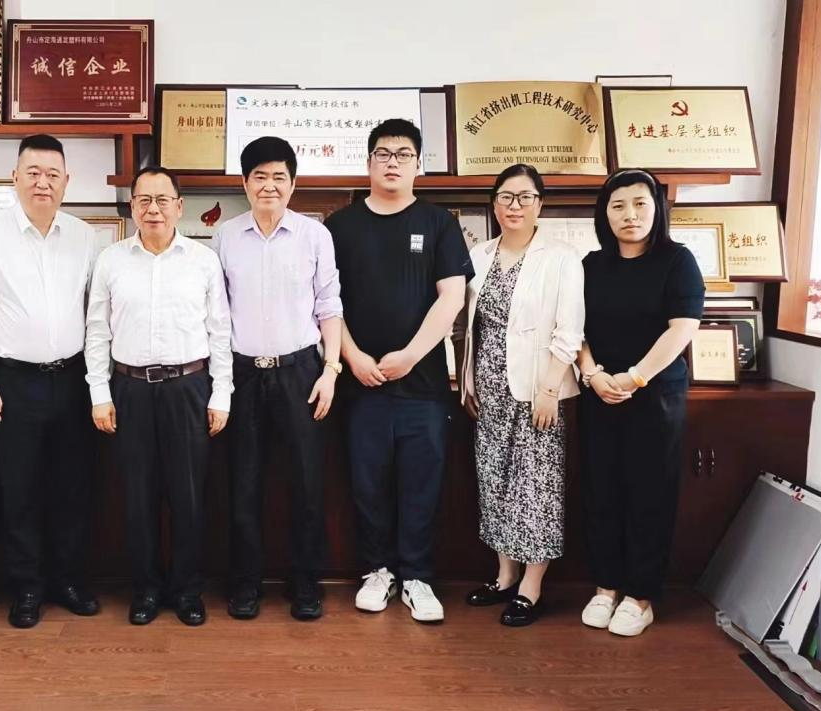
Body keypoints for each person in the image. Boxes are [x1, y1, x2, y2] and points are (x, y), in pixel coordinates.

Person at [326, 118, 471, 623]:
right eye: (383, 154)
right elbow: (326, 303)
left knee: (421, 485)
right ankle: (377, 571)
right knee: (367, 484)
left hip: (424, 385)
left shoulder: (439, 222)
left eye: (403, 154)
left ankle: (417, 577)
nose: (393, 162)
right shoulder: (340, 227)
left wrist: (410, 354)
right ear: (368, 162)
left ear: (418, 164)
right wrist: (352, 357)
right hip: (360, 383)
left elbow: (452, 297)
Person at [0, 135, 101, 629]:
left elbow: (95, 314)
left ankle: (68, 579)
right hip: (11, 382)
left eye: (53, 174)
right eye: (33, 172)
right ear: (15, 176)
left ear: (66, 181)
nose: (43, 182)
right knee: (19, 489)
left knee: (72, 487)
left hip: (73, 379)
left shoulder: (84, 235)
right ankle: (27, 587)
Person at [85, 165, 233, 627]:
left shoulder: (202, 260)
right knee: (138, 496)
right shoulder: (111, 260)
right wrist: (99, 392)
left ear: (178, 206)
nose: (153, 209)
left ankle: (187, 591)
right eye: (144, 200)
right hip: (129, 388)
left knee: (189, 496)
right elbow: (97, 331)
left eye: (162, 200)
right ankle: (146, 590)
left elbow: (220, 331)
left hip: (189, 387)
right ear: (132, 207)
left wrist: (221, 394)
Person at [212, 136, 342, 621]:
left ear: (293, 183)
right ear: (245, 184)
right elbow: (216, 312)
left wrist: (331, 370)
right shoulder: (225, 237)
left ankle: (305, 583)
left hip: (301, 371)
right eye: (260, 177)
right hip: (242, 374)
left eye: (279, 177)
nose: (270, 186)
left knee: (307, 483)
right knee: (242, 483)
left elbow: (329, 305)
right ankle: (245, 583)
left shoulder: (315, 236)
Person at [577, 168, 704, 637]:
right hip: (599, 393)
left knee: (649, 494)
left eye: (640, 204)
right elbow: (573, 328)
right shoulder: (591, 265)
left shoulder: (677, 261)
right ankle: (606, 587)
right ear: (604, 214)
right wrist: (593, 374)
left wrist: (634, 377)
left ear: (657, 209)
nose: (629, 214)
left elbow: (682, 328)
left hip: (654, 396)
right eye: (618, 206)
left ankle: (641, 596)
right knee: (601, 491)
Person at [459, 164, 584, 627]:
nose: (515, 206)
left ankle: (532, 586)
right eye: (506, 197)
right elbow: (468, 326)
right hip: (488, 389)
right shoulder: (479, 254)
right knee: (495, 481)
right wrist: (467, 380)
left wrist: (549, 388)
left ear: (540, 205)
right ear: (494, 204)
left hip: (536, 390)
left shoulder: (562, 257)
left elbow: (570, 330)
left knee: (535, 488)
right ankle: (505, 575)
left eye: (525, 197)